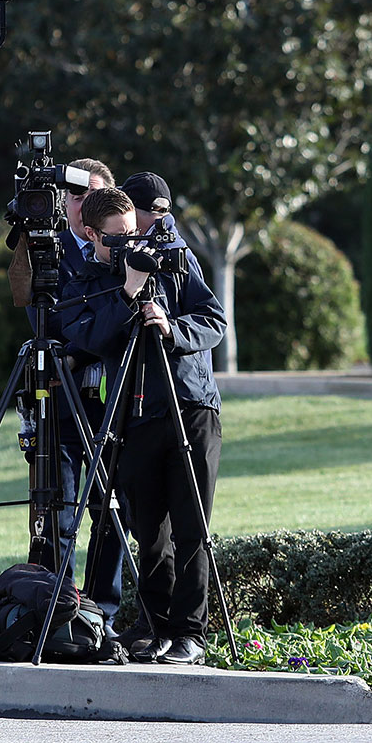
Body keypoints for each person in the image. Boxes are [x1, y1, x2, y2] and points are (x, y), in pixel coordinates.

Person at [61, 187, 225, 665]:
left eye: (134, 233)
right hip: (133, 415)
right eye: (118, 239)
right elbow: (87, 336)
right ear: (91, 234)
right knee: (148, 531)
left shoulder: (172, 258)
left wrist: (172, 327)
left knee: (192, 526)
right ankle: (155, 626)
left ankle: (190, 631)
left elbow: (214, 319)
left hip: (190, 406)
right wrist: (129, 292)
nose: (132, 246)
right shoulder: (87, 280)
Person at [23, 157, 130, 635]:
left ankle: (103, 611)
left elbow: (119, 319)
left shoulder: (120, 252)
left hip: (110, 399)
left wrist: (84, 342)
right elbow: (44, 322)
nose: (81, 203)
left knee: (110, 507)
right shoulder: (42, 251)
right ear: (62, 203)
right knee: (56, 509)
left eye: (91, 195)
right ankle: (55, 607)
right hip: (58, 400)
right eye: (74, 195)